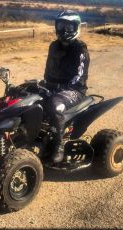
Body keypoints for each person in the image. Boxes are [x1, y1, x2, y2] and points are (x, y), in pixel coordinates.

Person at [43, 10, 90, 163]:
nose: (64, 30)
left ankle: (59, 143)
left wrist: (59, 87)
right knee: (26, 95)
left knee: (55, 106)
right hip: (53, 86)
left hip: (74, 90)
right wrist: (45, 83)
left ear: (76, 27)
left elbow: (79, 77)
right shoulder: (54, 46)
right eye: (61, 25)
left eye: (69, 27)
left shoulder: (80, 49)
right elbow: (48, 69)